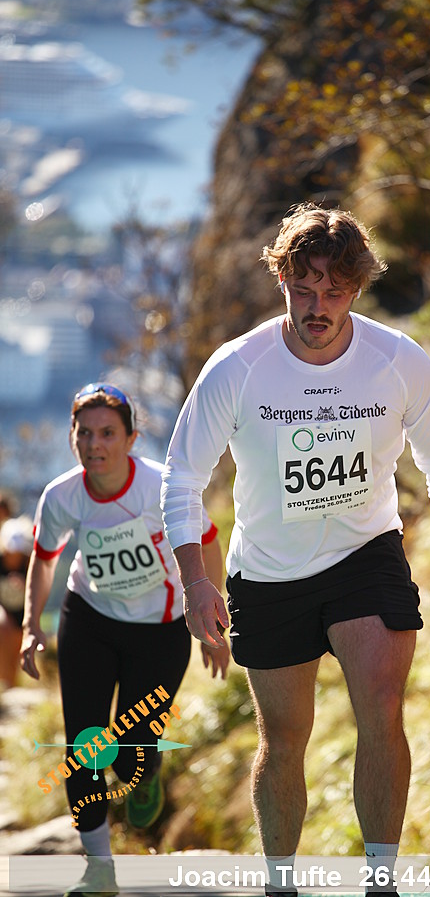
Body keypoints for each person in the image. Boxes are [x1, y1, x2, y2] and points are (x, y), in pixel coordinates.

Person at [160, 203, 430, 895]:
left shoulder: (397, 360)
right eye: (303, 289)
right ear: (282, 282)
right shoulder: (238, 368)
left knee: (382, 706)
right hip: (269, 572)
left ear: (356, 289)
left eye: (333, 291)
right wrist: (196, 583)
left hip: (366, 556)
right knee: (284, 738)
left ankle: (381, 881)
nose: (317, 307)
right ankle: (281, 882)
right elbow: (182, 478)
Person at [20, 382, 228, 897]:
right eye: (84, 433)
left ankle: (147, 770)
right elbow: (44, 560)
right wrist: (31, 625)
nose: (95, 444)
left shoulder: (161, 488)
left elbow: (208, 542)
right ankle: (99, 870)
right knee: (85, 744)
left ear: (132, 439)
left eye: (108, 433)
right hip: (89, 619)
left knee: (129, 754)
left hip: (159, 630)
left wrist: (212, 621)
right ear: (73, 437)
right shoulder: (61, 495)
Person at [0, 495, 33, 688]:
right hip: (5, 614)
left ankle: (11, 687)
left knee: (16, 651)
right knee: (3, 628)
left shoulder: (30, 566)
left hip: (22, 616)